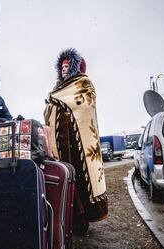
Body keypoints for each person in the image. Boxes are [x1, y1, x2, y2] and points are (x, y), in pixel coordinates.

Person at [44, 48, 108, 233]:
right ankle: (69, 217)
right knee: (66, 176)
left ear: (76, 67)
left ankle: (81, 219)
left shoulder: (83, 83)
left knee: (80, 176)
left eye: (67, 66)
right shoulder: (57, 89)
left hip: (76, 138)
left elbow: (83, 105)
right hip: (61, 141)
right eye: (62, 67)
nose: (64, 69)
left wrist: (56, 101)